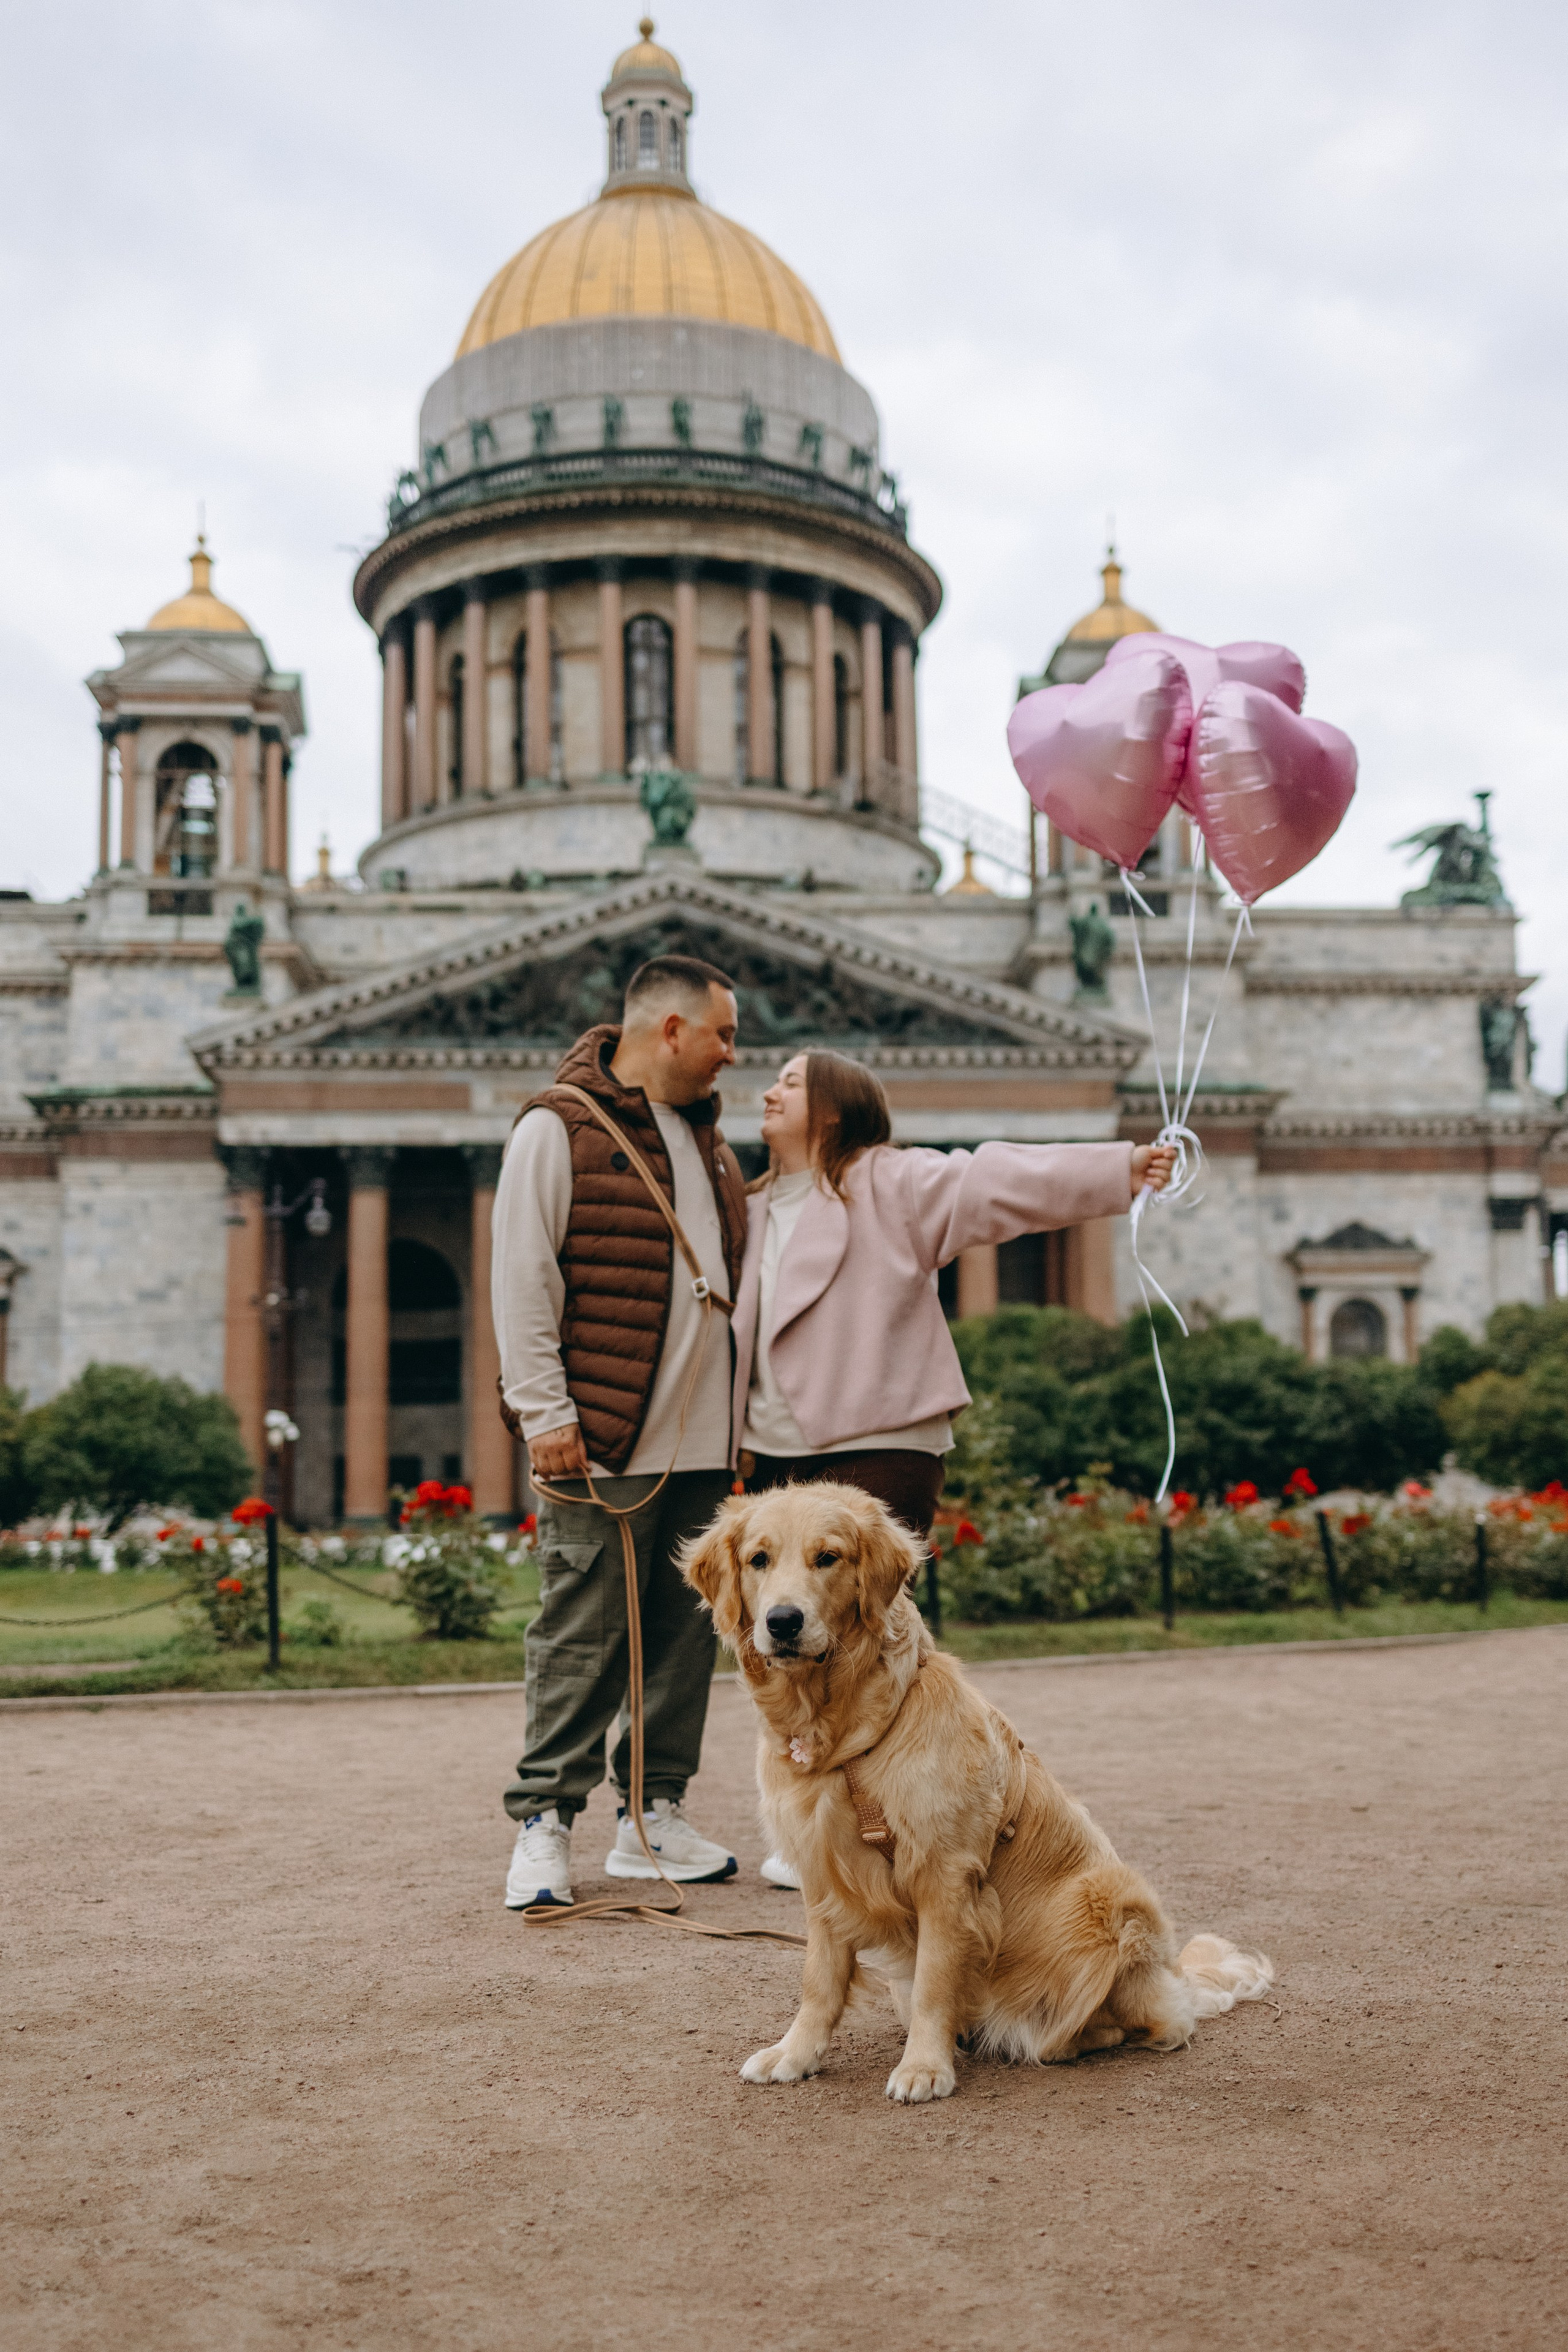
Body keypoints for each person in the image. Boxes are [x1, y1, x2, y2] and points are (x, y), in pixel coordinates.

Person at [732, 1047, 1175, 1888]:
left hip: (880, 1437)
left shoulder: (893, 1183)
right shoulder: (750, 1208)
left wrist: (1121, 1169)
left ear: (832, 1108)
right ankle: (814, 1823)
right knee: (784, 1650)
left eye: (789, 1083)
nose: (768, 1092)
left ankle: (888, 1816)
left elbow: (998, 1180)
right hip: (776, 1451)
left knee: (871, 1641)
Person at [494, 955, 749, 1910]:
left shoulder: (710, 1143)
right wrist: (545, 1413)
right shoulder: (556, 1127)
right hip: (602, 1435)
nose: (733, 1054)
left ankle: (654, 1814)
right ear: (671, 1030)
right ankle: (544, 1821)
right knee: (584, 1633)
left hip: (704, 1445)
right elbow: (524, 1276)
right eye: (723, 1034)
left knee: (684, 1638)